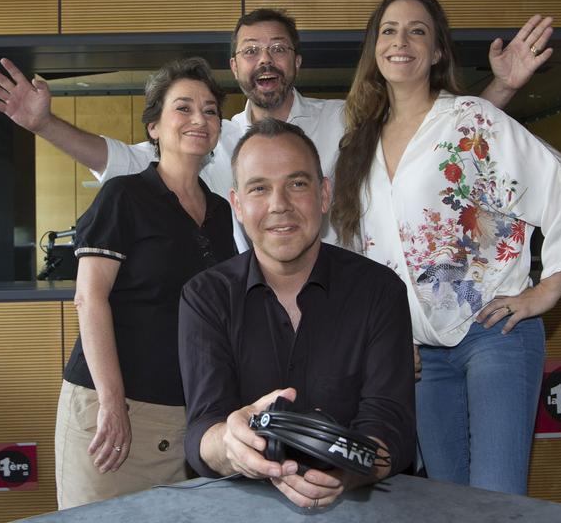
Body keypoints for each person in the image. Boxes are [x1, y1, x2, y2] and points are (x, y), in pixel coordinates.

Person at [331, 0, 561, 495]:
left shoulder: (472, 120)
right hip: (419, 356)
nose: (400, 41)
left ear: (437, 52)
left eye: (417, 30)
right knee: (447, 500)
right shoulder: (359, 145)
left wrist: (548, 288)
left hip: (492, 334)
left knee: (494, 498)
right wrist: (385, 339)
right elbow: (360, 257)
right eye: (388, 30)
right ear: (374, 49)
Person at [0, 9, 555, 210]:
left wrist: (499, 90)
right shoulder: (212, 139)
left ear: (297, 62)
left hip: (344, 308)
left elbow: (437, 135)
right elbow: (125, 161)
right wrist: (44, 124)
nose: (266, 60)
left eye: (278, 49)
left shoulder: (342, 120)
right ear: (235, 68)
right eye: (252, 51)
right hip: (251, 316)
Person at [177, 118, 416, 510]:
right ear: (237, 205)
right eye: (259, 188)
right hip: (242, 508)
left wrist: (343, 468)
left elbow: (393, 427)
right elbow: (203, 428)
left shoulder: (380, 291)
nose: (279, 205)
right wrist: (231, 444)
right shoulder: (205, 297)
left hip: (364, 505)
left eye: (297, 184)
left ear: (324, 195)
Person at [55, 58, 236, 508]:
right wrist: (113, 405)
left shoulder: (220, 212)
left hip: (187, 420)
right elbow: (89, 298)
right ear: (153, 126)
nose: (200, 119)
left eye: (211, 110)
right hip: (114, 413)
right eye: (184, 107)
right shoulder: (124, 195)